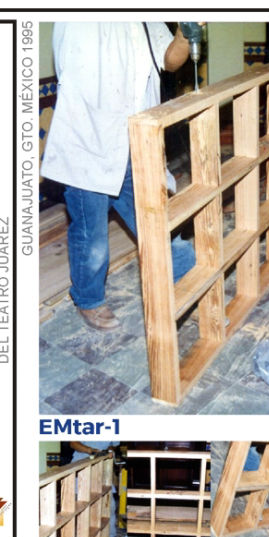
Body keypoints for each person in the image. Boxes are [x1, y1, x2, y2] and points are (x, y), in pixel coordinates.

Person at [41, 23, 196, 331]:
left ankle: (187, 284)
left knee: (161, 221)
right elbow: (81, 75)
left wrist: (185, 32)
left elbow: (169, 60)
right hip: (90, 142)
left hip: (135, 142)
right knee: (92, 234)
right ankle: (88, 299)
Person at [69, 441, 121, 537]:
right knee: (81, 509)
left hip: (103, 467)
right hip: (81, 468)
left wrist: (109, 450)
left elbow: (113, 445)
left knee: (109, 506)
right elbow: (73, 443)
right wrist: (91, 450)